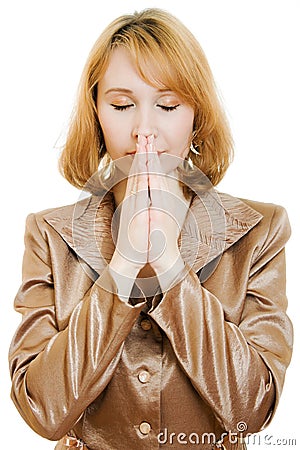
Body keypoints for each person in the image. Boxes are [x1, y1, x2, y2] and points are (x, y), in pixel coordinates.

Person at [8, 8, 293, 450]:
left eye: (167, 106)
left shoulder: (260, 230)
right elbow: (42, 410)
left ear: (196, 115)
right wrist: (124, 264)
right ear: (97, 115)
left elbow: (252, 408)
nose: (145, 132)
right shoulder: (48, 233)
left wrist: (168, 265)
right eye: (122, 106)